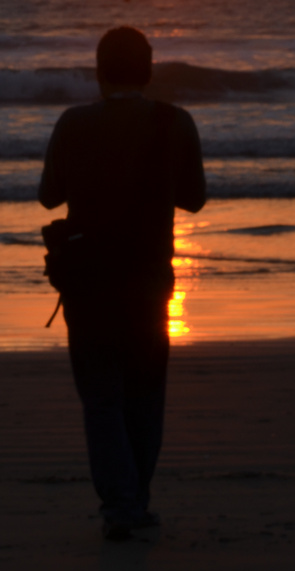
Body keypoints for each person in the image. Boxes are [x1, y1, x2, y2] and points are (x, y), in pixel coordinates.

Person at [39, 26, 206, 541]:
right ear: (150, 70)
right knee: (144, 394)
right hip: (150, 277)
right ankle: (136, 498)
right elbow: (195, 199)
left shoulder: (73, 123)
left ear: (99, 71)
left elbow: (49, 196)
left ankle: (120, 503)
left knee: (102, 398)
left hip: (88, 279)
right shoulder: (174, 123)